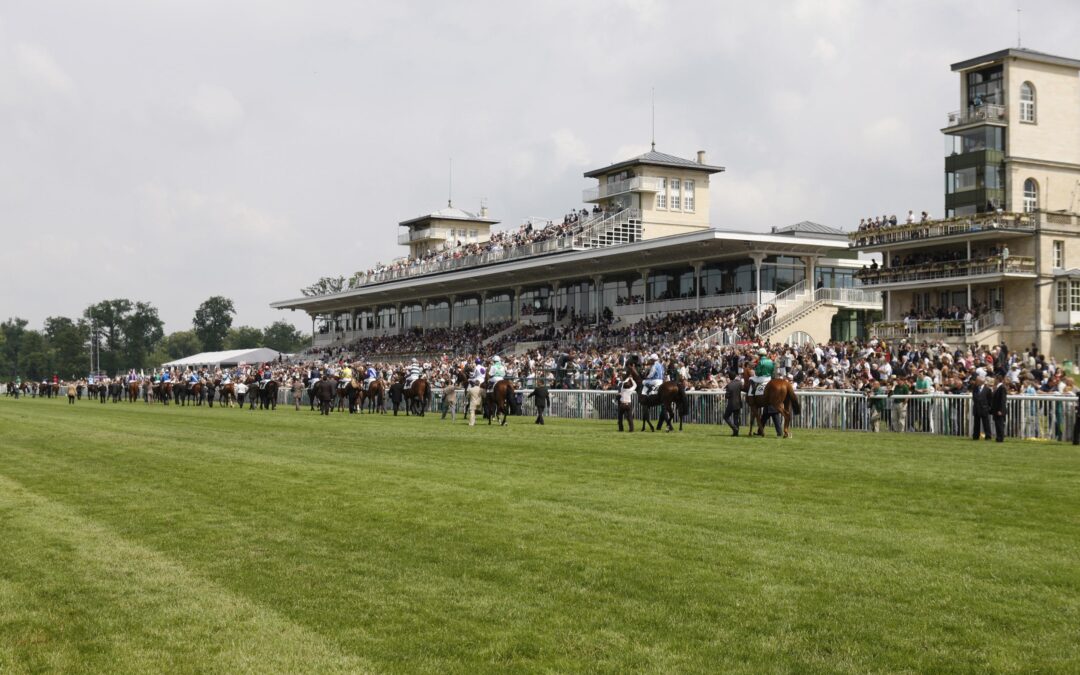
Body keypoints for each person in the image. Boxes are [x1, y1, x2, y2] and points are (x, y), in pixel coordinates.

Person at [971, 376, 992, 441]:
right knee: (976, 424)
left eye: (977, 381)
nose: (976, 382)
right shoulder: (975, 388)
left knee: (986, 424)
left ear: (981, 382)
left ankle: (988, 436)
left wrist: (988, 408)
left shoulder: (988, 389)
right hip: (977, 408)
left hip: (984, 408)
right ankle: (976, 436)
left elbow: (990, 400)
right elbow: (974, 397)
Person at [723, 371, 743, 436]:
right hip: (738, 403)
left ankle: (734, 428)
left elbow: (727, 396)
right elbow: (743, 389)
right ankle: (736, 433)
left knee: (726, 417)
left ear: (729, 377)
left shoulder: (729, 385)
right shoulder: (739, 383)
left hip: (731, 404)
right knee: (736, 418)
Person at [991, 372, 1008, 442]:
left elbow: (1003, 400)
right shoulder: (998, 387)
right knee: (997, 424)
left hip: (999, 409)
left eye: (995, 379)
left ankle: (1000, 438)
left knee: (1000, 424)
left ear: (998, 380)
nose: (994, 380)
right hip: (996, 409)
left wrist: (1000, 410)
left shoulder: (1002, 388)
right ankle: (998, 437)